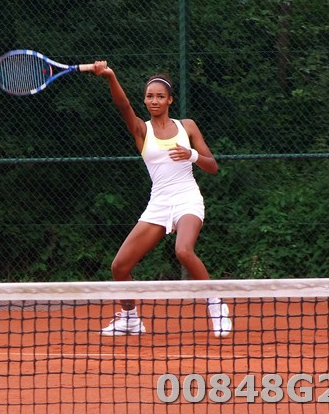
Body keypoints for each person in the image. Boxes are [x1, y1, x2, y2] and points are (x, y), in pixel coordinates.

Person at [92, 61, 231, 338]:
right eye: (149, 96)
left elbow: (212, 166)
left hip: (187, 198)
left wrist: (191, 154)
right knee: (120, 266)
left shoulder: (187, 126)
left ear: (170, 100)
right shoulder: (141, 130)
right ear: (145, 100)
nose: (154, 101)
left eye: (159, 96)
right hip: (158, 204)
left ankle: (216, 305)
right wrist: (110, 76)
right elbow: (123, 106)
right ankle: (130, 319)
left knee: (183, 251)